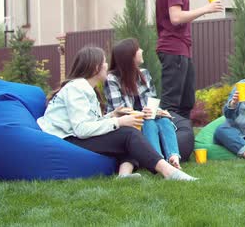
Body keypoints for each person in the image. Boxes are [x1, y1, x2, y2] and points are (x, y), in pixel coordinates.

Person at [36, 46, 197, 181]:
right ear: (95, 67)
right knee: (128, 134)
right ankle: (169, 172)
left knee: (129, 133)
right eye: (104, 62)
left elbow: (90, 122)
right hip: (65, 140)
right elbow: (81, 130)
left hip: (72, 135)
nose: (107, 65)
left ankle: (124, 176)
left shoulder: (85, 88)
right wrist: (119, 122)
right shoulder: (77, 88)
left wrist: (113, 115)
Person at [155, 0, 223, 161]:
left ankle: (181, 150)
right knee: (171, 105)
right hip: (173, 49)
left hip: (182, 49)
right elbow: (175, 18)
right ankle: (166, 152)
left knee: (185, 102)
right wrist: (206, 9)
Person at [104, 38, 182, 169]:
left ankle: (174, 157)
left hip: (145, 117)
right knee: (149, 122)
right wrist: (143, 114)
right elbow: (120, 110)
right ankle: (158, 161)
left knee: (164, 120)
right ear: (130, 56)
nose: (142, 50)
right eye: (138, 49)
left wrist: (157, 111)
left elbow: (151, 101)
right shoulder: (112, 79)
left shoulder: (144, 74)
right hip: (125, 122)